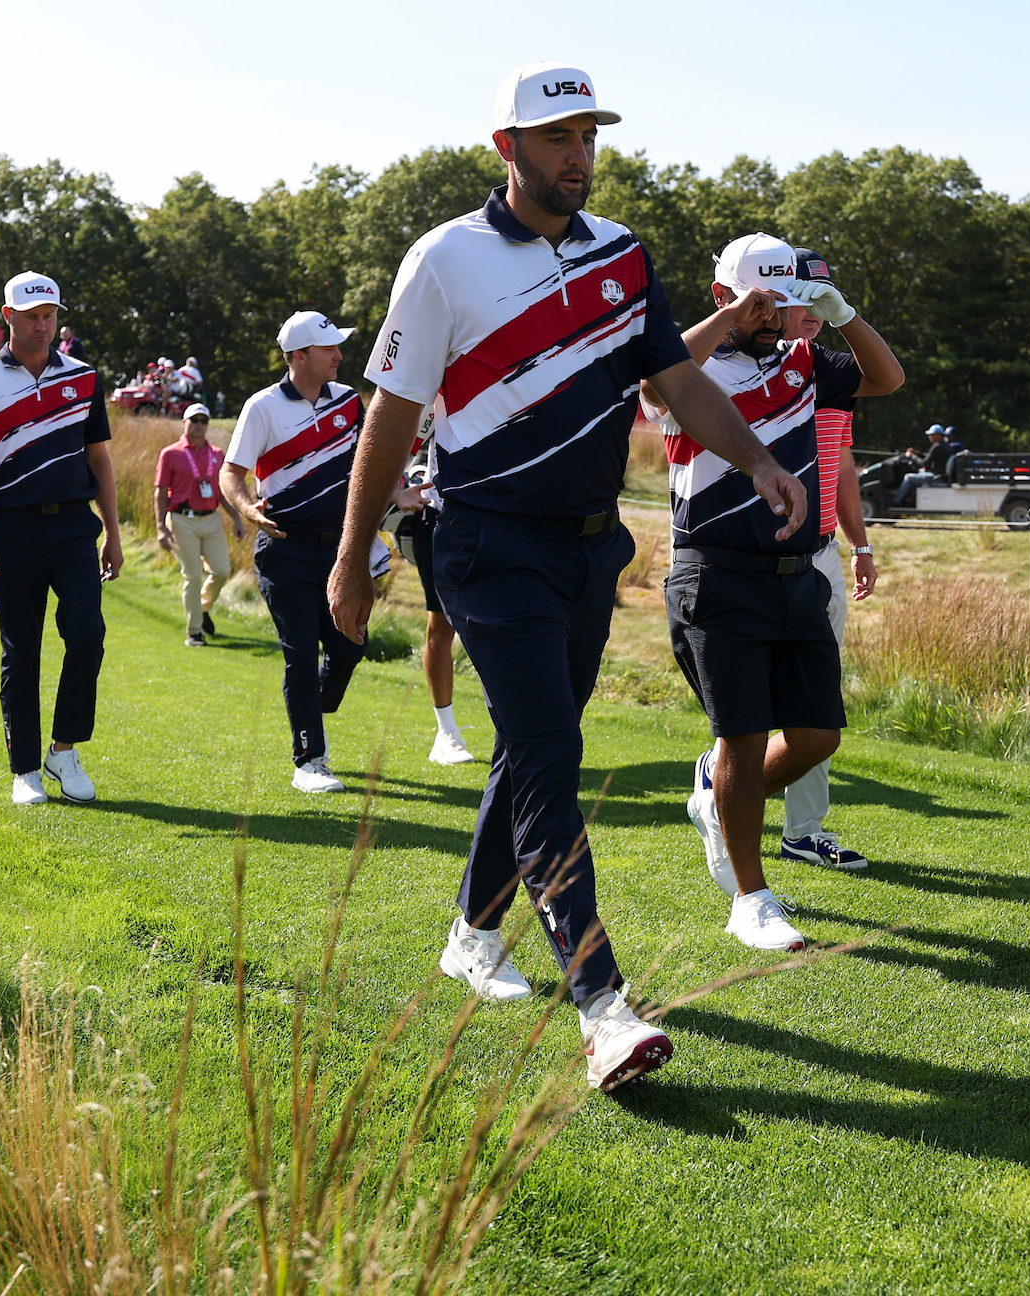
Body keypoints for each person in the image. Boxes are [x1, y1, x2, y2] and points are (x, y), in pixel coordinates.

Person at [327, 63, 804, 1093]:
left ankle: (471, 932)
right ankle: (604, 1005)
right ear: (508, 146)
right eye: (556, 137)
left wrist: (760, 459)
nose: (577, 155)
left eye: (588, 135)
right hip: (487, 544)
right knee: (550, 751)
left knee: (528, 751)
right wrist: (352, 553)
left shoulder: (624, 258)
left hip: (590, 552)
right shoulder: (443, 259)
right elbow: (391, 415)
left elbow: (675, 379)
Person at [654, 233, 904, 950]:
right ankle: (751, 899)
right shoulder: (690, 365)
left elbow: (885, 378)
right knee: (744, 736)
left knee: (817, 735)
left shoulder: (805, 362)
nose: (773, 316)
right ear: (724, 295)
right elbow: (651, 384)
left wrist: (844, 311)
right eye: (760, 302)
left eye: (782, 302)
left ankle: (716, 788)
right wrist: (733, 315)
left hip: (798, 579)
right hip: (717, 572)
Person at [0, 272, 123, 807]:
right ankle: (25, 768)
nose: (42, 325)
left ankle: (63, 751)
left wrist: (113, 532)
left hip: (73, 527)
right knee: (22, 650)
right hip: (10, 529)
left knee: (87, 635)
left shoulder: (85, 379)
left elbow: (100, 461)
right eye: (31, 316)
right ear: (8, 316)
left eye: (50, 316)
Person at [221, 312, 368, 792]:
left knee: (349, 646)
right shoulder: (262, 407)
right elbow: (231, 473)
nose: (339, 357)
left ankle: (312, 711)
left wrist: (397, 496)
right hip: (285, 551)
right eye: (329, 349)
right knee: (301, 653)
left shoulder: (349, 402)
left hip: (341, 554)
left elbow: (369, 467)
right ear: (298, 357)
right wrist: (247, 509)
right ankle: (309, 760)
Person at [780, 244, 879, 872]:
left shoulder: (832, 370)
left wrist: (860, 542)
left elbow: (838, 460)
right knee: (749, 698)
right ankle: (720, 794)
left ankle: (804, 829)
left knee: (817, 697)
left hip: (819, 555)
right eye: (803, 295)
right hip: (746, 557)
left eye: (825, 295)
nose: (814, 308)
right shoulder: (742, 367)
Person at [389, 422, 474, 765]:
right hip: (441, 519)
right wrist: (400, 486)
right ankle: (447, 733)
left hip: (504, 517)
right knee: (441, 628)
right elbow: (398, 444)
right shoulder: (436, 387)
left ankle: (515, 735)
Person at [155, 402, 243, 647]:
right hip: (182, 520)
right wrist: (161, 527)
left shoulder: (216, 454)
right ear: (184, 423)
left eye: (204, 421)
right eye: (194, 420)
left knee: (222, 571)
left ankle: (202, 609)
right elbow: (161, 493)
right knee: (193, 575)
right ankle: (194, 632)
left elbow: (222, 491)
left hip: (212, 519)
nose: (199, 425)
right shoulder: (170, 454)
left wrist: (236, 518)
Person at [894, 424, 967, 507]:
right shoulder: (945, 445)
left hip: (936, 476)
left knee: (908, 478)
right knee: (919, 473)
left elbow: (924, 463)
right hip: (940, 475)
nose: (929, 436)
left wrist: (912, 456)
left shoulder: (937, 446)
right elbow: (929, 458)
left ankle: (895, 502)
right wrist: (917, 453)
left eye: (931, 435)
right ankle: (909, 501)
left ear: (938, 435)